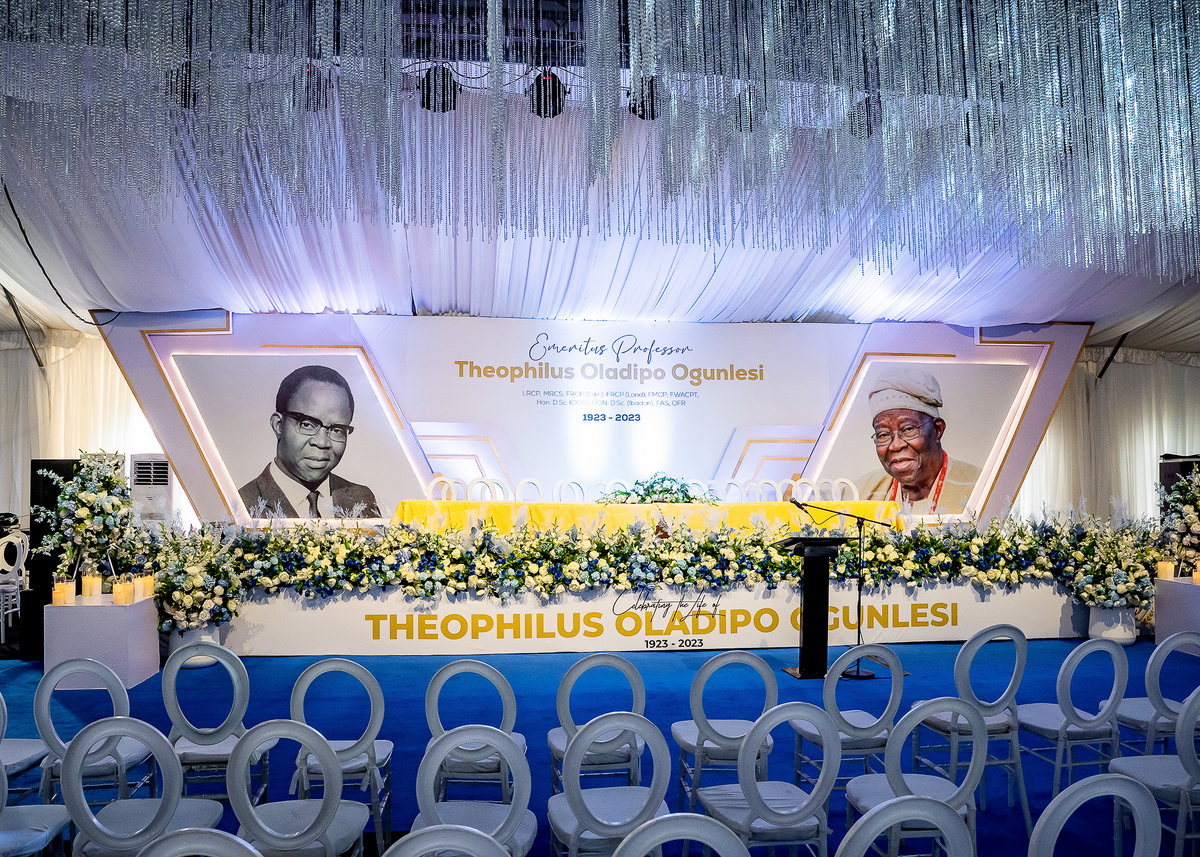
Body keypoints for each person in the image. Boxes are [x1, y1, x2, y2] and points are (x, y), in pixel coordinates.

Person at [239, 365, 381, 518]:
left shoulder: (361, 499)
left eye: (337, 430)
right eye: (307, 424)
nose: (322, 442)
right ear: (278, 425)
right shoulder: (242, 507)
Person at [856, 367, 981, 515]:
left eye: (908, 429)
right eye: (883, 435)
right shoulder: (860, 494)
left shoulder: (979, 488)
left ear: (937, 429)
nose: (896, 445)